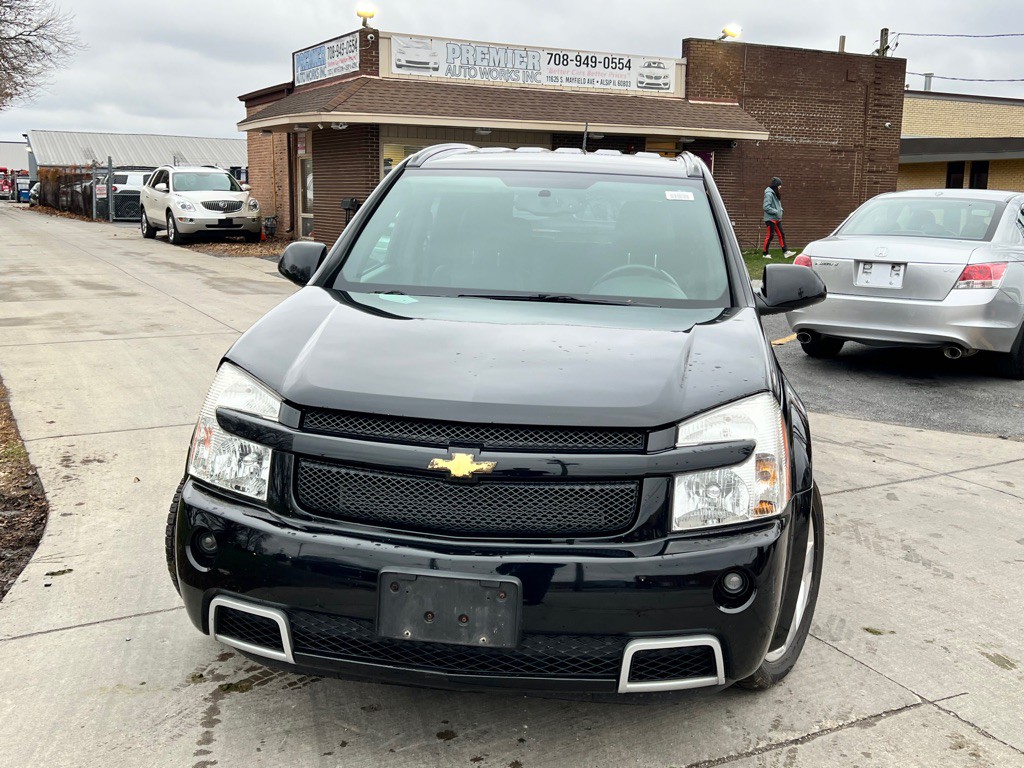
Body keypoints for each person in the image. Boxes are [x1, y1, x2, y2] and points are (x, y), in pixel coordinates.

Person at [762, 176, 795, 259]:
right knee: (770, 236)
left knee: (781, 235)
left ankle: (786, 252)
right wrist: (776, 211)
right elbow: (766, 207)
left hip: (777, 219)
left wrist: (781, 210)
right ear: (776, 185)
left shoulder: (775, 193)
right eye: (779, 185)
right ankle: (765, 253)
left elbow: (777, 205)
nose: (780, 186)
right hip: (770, 219)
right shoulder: (769, 194)